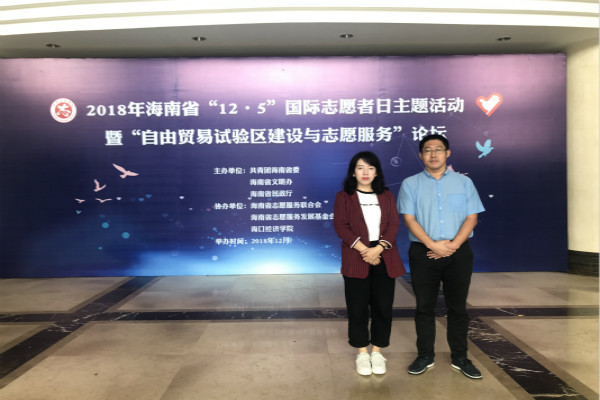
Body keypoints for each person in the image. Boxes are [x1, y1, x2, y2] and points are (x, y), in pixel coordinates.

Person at [397, 134, 485, 379]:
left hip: (459, 252)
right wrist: (432, 245)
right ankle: (425, 356)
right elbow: (409, 219)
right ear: (420, 155)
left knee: (458, 307)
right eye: (428, 150)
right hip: (423, 252)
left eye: (438, 149)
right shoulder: (410, 184)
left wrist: (453, 246)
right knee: (424, 307)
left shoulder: (464, 182)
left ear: (448, 153)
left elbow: (472, 217)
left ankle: (460, 357)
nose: (433, 154)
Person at [333, 151, 406, 376]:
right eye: (360, 168)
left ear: (377, 172)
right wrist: (365, 250)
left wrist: (378, 249)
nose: (365, 172)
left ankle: (377, 351)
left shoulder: (386, 195)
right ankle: (362, 353)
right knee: (357, 308)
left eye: (370, 168)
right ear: (353, 172)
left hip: (384, 254)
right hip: (357, 254)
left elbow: (393, 225)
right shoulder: (344, 196)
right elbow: (341, 226)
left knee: (383, 307)